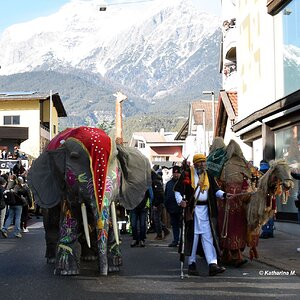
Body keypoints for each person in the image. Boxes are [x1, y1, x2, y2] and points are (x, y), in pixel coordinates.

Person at [174, 154, 232, 276]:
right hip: (193, 211)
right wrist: (181, 201)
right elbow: (178, 191)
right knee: (193, 238)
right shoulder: (186, 175)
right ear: (195, 164)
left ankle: (212, 264)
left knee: (208, 237)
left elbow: (216, 190)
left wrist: (224, 195)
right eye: (200, 162)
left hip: (207, 211)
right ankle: (191, 264)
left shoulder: (208, 175)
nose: (202, 165)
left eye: (203, 162)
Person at [164, 165, 182, 247]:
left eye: (178, 173)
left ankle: (182, 241)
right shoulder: (169, 183)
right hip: (171, 208)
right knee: (174, 225)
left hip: (181, 208)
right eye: (175, 173)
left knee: (182, 225)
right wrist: (167, 206)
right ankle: (175, 240)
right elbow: (166, 195)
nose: (176, 175)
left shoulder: (183, 183)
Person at [151, 170, 170, 240]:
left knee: (156, 218)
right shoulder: (157, 181)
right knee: (156, 218)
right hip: (158, 202)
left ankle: (160, 234)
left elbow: (158, 194)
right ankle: (164, 231)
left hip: (158, 203)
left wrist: (155, 204)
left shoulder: (155, 182)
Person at [259, 160, 274, 239]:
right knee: (270, 213)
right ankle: (270, 231)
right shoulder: (271, 173)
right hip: (271, 197)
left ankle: (265, 232)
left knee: (264, 213)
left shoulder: (260, 172)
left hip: (263, 196)